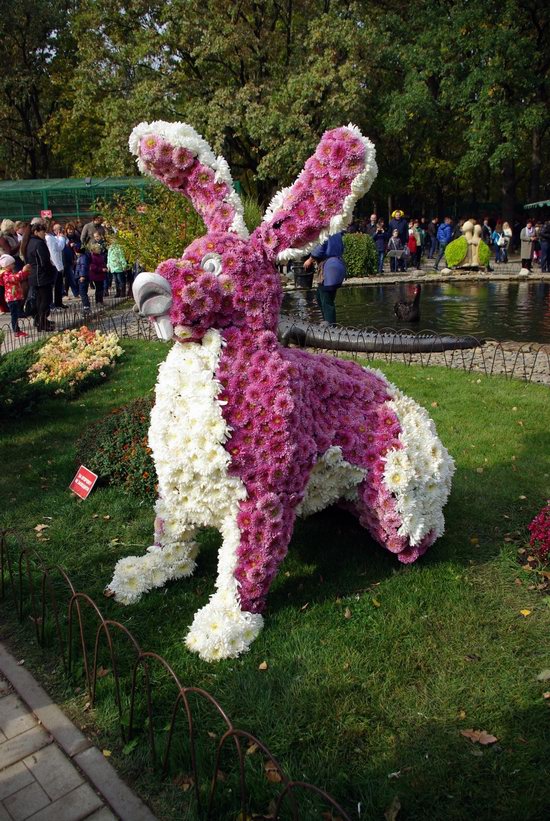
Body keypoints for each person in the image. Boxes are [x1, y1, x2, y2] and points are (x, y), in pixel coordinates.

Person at [303, 232, 346, 324]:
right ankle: (328, 322)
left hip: (329, 267)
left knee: (326, 299)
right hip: (338, 264)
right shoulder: (337, 233)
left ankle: (330, 325)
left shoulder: (326, 232)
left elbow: (321, 247)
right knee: (320, 296)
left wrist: (310, 259)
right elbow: (342, 248)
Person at [20, 221, 56, 331]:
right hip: (41, 276)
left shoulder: (28, 242)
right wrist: (51, 271)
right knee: (45, 300)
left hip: (34, 275)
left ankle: (40, 321)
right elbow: (44, 261)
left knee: (39, 300)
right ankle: (42, 323)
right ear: (36, 232)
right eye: (42, 232)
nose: (44, 234)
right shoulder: (38, 243)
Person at [0, 254, 30, 337]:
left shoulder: (9, 273)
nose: (14, 265)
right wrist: (23, 271)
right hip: (12, 299)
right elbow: (15, 278)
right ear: (6, 265)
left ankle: (17, 330)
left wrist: (25, 273)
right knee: (14, 316)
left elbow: (18, 277)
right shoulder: (6, 275)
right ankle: (16, 331)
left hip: (15, 297)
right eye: (12, 264)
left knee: (15, 315)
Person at [45, 223, 67, 308]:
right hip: (55, 264)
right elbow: (56, 250)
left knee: (59, 285)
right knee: (54, 285)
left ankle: (58, 303)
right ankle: (52, 304)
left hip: (57, 264)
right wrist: (61, 238)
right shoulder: (49, 238)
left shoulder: (51, 237)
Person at [89, 241, 107, 306]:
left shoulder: (99, 256)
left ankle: (101, 301)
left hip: (101, 275)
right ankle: (98, 301)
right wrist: (101, 269)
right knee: (98, 289)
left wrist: (105, 267)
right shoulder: (92, 257)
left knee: (101, 288)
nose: (100, 250)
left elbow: (102, 263)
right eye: (98, 249)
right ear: (94, 250)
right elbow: (93, 267)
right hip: (96, 275)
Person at [74, 246, 91, 312]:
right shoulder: (82, 257)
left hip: (82, 277)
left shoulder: (83, 258)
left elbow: (83, 267)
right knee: (83, 292)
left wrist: (82, 276)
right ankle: (86, 305)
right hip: (81, 276)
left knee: (83, 292)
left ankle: (86, 306)